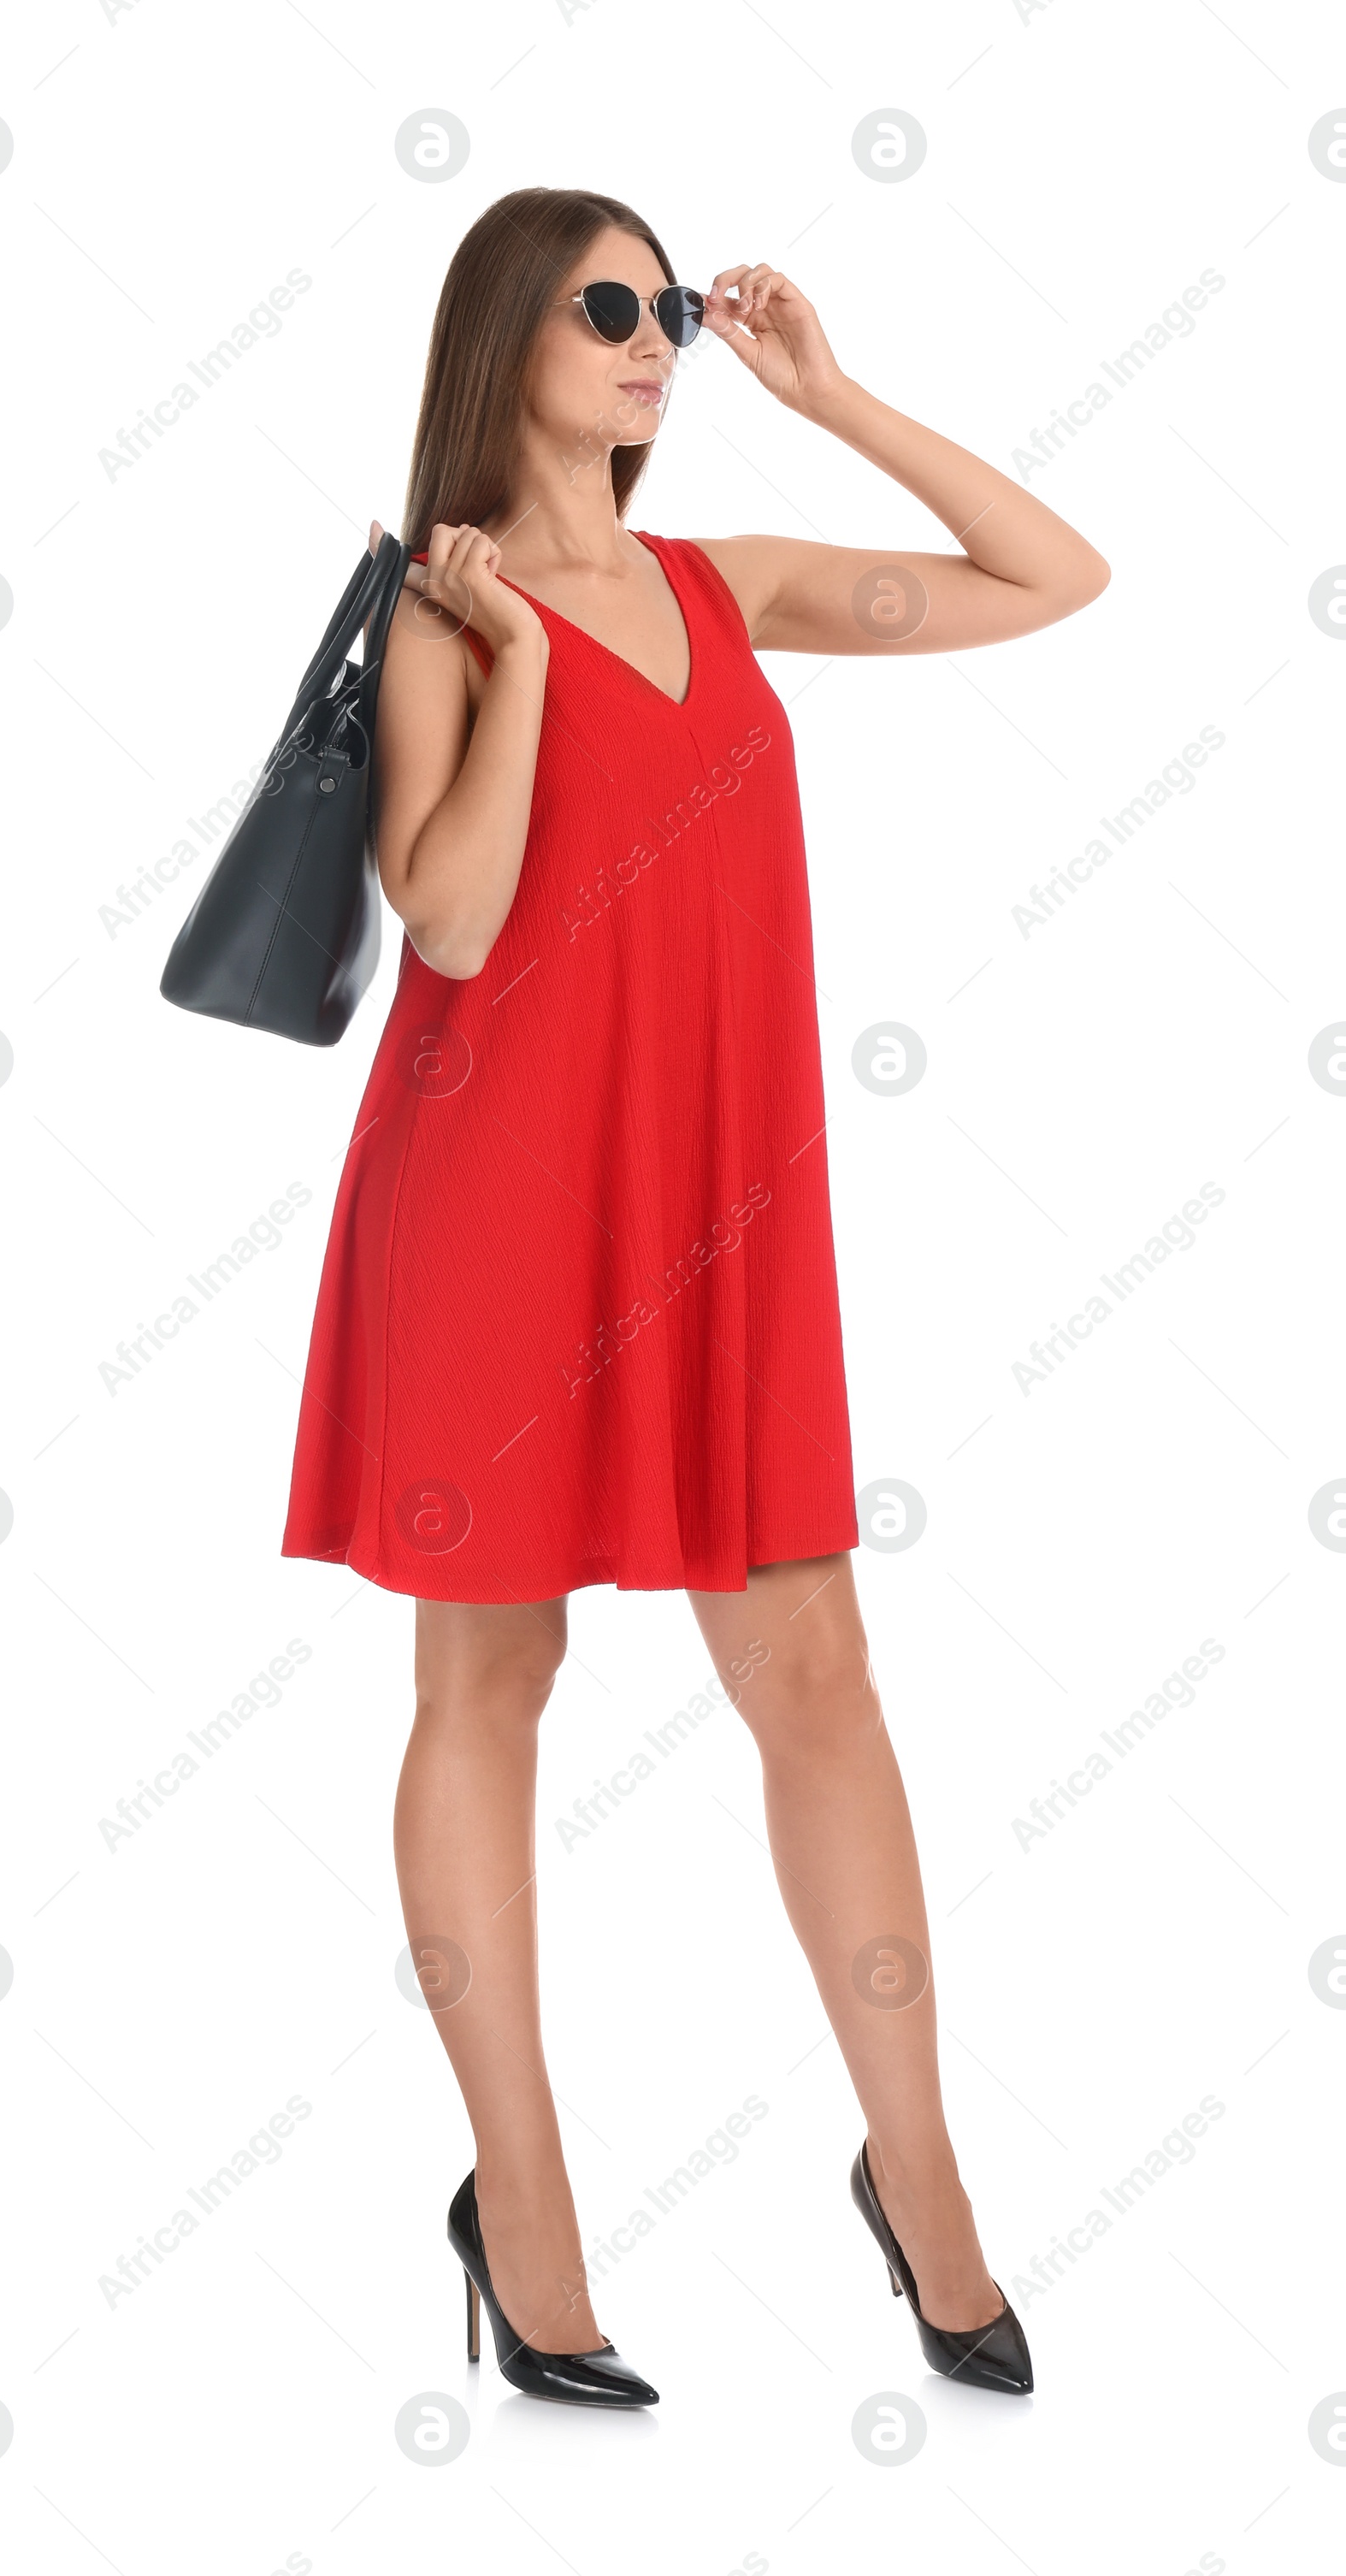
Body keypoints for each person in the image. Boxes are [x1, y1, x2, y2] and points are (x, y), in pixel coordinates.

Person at [281, 186, 1109, 2408]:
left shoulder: (720, 586)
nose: (658, 340)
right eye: (611, 307)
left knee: (818, 1667)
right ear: (507, 342)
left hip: (720, 1223)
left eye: (667, 307)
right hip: (490, 1210)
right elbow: (449, 927)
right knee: (493, 1677)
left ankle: (923, 2188)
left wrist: (830, 399)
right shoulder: (451, 612)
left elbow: (1055, 576)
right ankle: (523, 2208)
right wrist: (529, 666)